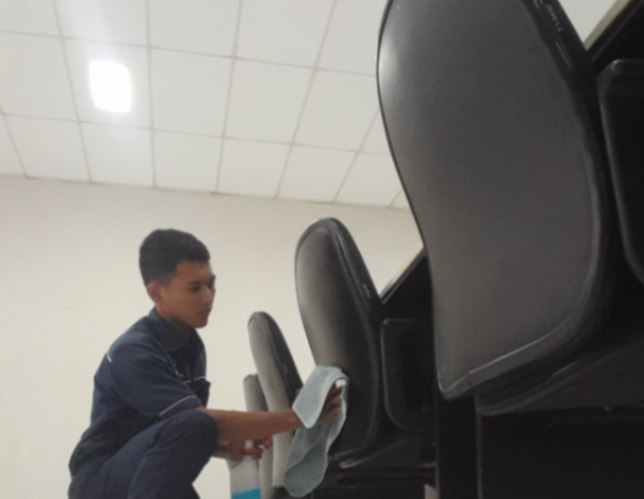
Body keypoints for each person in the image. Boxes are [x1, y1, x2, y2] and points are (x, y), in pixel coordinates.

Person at [68, 228, 342, 499]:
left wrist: (220, 448)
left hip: (137, 469)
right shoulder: (134, 351)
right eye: (194, 288)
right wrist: (297, 417)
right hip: (99, 481)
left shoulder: (192, 347)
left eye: (211, 284)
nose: (208, 298)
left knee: (197, 427)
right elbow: (195, 423)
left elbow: (167, 434)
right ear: (157, 293)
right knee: (198, 423)